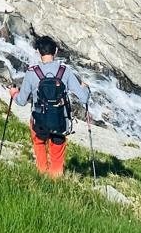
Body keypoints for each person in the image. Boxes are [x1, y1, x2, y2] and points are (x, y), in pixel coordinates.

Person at [10, 35, 89, 177]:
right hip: (60, 121)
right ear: (56, 51)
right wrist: (85, 88)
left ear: (38, 52)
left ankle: (42, 174)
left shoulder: (32, 72)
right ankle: (55, 179)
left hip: (39, 121)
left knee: (39, 144)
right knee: (57, 149)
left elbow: (21, 101)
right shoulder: (65, 71)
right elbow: (84, 98)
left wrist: (14, 93)